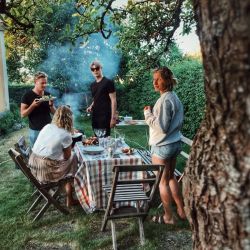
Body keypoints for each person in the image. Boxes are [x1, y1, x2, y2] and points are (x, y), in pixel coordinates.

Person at [144, 66, 186, 224]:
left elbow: (162, 127)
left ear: (167, 80)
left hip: (162, 146)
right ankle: (181, 210)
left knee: (162, 182)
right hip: (175, 144)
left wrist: (148, 115)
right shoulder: (174, 97)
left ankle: (169, 217)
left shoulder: (164, 100)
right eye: (153, 79)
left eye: (158, 79)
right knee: (171, 178)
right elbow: (168, 122)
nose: (154, 82)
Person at [28, 105, 78, 207]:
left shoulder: (47, 126)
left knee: (71, 160)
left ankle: (69, 196)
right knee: (74, 159)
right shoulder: (65, 134)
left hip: (33, 165)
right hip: (46, 170)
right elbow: (66, 157)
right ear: (69, 118)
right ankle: (70, 198)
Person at [20, 71, 56, 148]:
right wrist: (33, 105)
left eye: (45, 83)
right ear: (35, 82)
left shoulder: (47, 94)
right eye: (42, 83)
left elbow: (54, 113)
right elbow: (22, 114)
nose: (44, 85)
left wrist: (51, 105)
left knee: (49, 153)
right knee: (36, 155)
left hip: (48, 129)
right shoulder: (27, 96)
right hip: (35, 131)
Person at [86, 61, 117, 137]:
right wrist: (91, 106)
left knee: (105, 140)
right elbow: (96, 98)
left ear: (101, 68)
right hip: (95, 116)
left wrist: (113, 118)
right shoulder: (92, 85)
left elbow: (113, 100)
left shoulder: (108, 82)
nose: (95, 71)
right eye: (93, 69)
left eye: (97, 68)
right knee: (96, 139)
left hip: (105, 116)